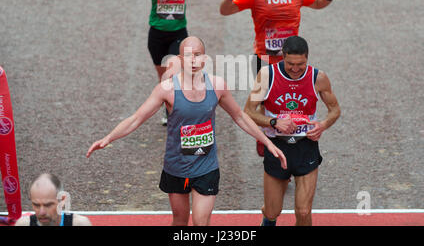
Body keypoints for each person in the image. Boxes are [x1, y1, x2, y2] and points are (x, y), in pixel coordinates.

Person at [86, 36, 287, 226]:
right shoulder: (166, 89)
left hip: (206, 167)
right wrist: (108, 138)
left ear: (205, 58)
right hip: (176, 167)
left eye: (198, 54)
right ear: (180, 59)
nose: (193, 60)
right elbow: (136, 118)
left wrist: (268, 142)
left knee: (200, 221)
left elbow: (240, 116)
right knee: (180, 220)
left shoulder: (217, 86)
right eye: (188, 55)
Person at [74, 0, 252, 118]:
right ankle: (169, 108)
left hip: (179, 35)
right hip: (157, 36)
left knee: (173, 72)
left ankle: (178, 111)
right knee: (164, 79)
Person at [220, 0, 341, 155]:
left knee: (289, 102)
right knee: (262, 103)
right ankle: (266, 134)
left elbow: (317, 3)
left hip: (290, 61)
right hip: (264, 59)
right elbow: (225, 10)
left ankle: (289, 141)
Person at [244, 36, 341, 226]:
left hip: (306, 147)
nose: (295, 69)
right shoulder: (267, 75)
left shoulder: (318, 78)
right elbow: (247, 111)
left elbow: (335, 110)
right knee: (273, 211)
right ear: (282, 57)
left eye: (301, 64)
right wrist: (274, 122)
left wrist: (323, 125)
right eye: (290, 64)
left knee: (304, 211)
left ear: (307, 58)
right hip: (277, 147)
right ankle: (267, 217)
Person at [14, 173, 92, 226]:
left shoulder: (79, 224)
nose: (42, 212)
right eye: (36, 205)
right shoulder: (24, 224)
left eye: (48, 205)